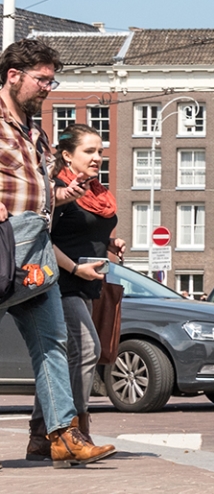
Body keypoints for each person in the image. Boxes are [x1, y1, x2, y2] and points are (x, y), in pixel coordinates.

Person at [0, 40, 115, 466]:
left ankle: (63, 434)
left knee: (55, 343)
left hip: (34, 251)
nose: (47, 88)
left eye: (52, 79)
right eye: (41, 79)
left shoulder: (34, 130)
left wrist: (62, 194)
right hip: (1, 247)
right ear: (14, 76)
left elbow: (37, 191)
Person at [32, 124, 124, 462]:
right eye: (89, 151)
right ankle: (75, 431)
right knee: (87, 350)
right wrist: (74, 268)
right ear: (67, 155)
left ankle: (41, 438)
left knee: (58, 361)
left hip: (87, 284)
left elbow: (85, 228)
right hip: (62, 282)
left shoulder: (94, 191)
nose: (98, 158)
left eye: (100, 152)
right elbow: (44, 238)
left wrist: (110, 243)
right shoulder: (58, 190)